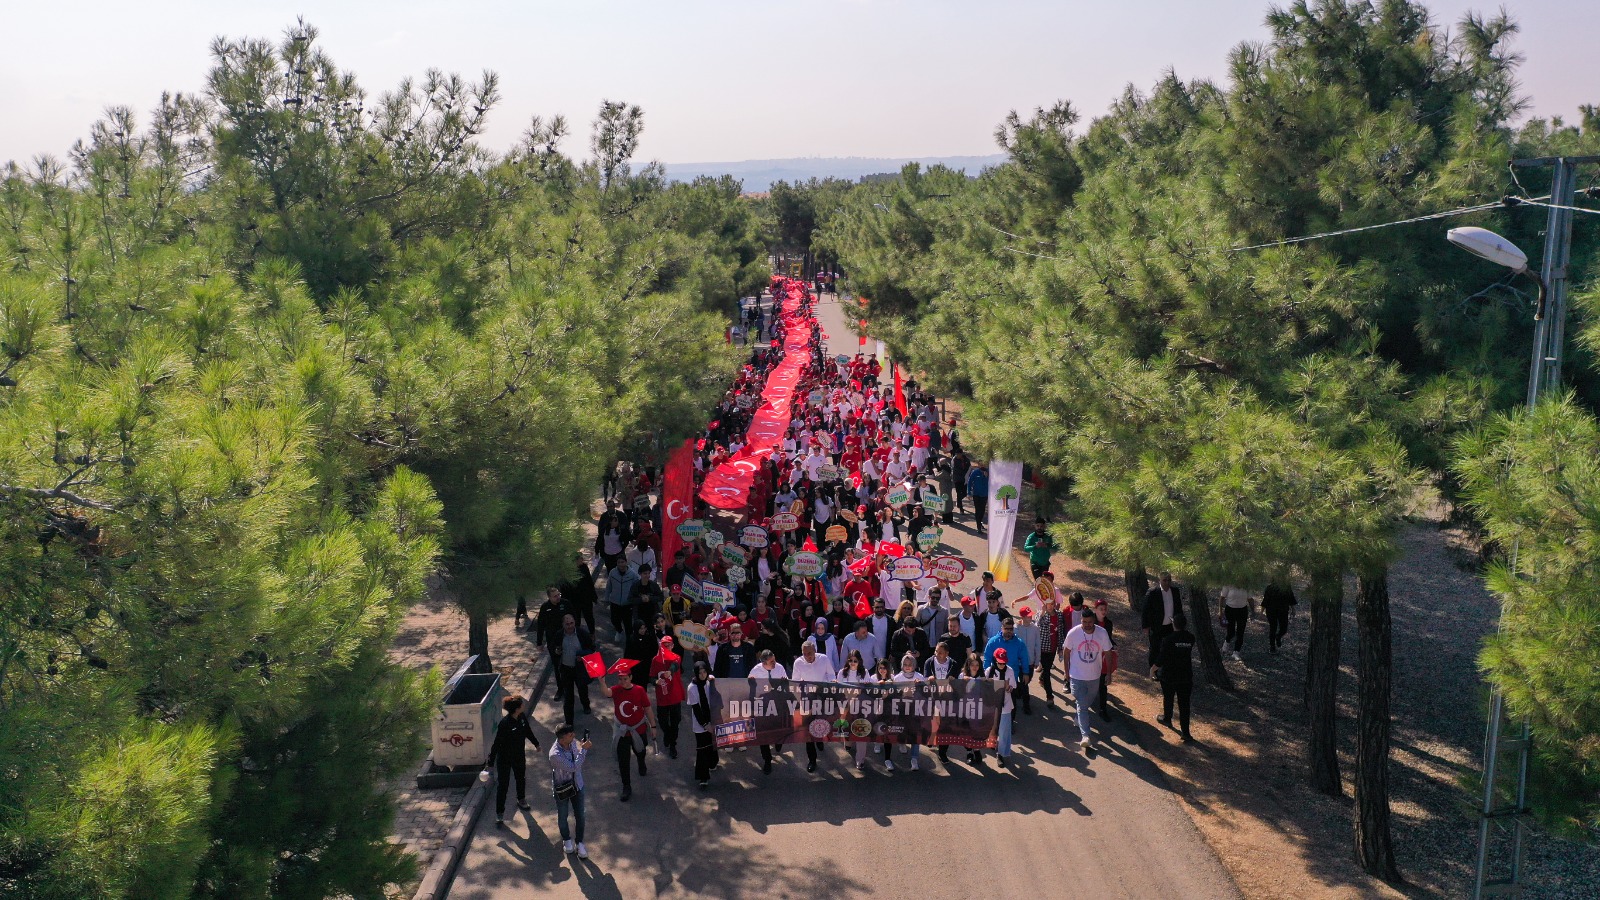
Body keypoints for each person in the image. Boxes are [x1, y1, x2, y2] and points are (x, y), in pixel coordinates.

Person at [599, 662, 657, 802]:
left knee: (641, 750)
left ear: (631, 678)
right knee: (623, 760)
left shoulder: (639, 690)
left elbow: (647, 708)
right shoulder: (617, 690)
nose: (623, 682)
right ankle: (626, 786)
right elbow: (606, 692)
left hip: (638, 729)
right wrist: (601, 681)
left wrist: (653, 726)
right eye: (620, 679)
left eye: (625, 678)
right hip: (622, 732)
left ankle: (641, 762)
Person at [485, 695, 541, 828]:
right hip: (505, 759)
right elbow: (497, 743)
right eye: (521, 704)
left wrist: (536, 744)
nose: (523, 705)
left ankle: (521, 799)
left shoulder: (521, 718)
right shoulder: (505, 724)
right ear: (516, 708)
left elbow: (528, 731)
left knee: (520, 778)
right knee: (503, 786)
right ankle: (500, 813)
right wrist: (491, 762)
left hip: (519, 756)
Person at [1064, 610, 1114, 752]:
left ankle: (1078, 718)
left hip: (1094, 676)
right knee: (1082, 705)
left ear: (1094, 621)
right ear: (1081, 620)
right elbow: (1066, 652)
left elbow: (1108, 653)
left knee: (1087, 702)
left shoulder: (1102, 633)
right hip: (1076, 675)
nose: (1087, 625)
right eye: (1084, 622)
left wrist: (1108, 674)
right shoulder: (1073, 633)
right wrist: (1067, 673)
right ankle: (1085, 736)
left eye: (1090, 622)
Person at [791, 639, 836, 772]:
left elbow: (831, 674)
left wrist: (828, 684)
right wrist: (801, 684)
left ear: (815, 651)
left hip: (821, 696)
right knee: (807, 730)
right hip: (807, 699)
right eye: (805, 654)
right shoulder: (798, 663)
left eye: (810, 653)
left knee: (820, 723)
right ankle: (812, 759)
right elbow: (794, 681)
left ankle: (820, 739)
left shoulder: (824, 659)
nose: (808, 656)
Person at [548, 724, 592, 858]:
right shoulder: (554, 755)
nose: (574, 736)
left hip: (577, 785)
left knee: (580, 815)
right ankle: (566, 839)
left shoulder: (571, 742)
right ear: (562, 739)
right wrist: (584, 751)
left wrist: (581, 748)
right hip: (563, 788)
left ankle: (579, 842)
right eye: (570, 735)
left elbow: (577, 758)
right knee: (563, 815)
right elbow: (574, 767)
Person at [1153, 613, 1196, 742]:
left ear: (1174, 624)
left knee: (1169, 697)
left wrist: (1153, 669)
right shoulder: (1190, 638)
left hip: (1169, 675)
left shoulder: (1168, 640)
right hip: (1185, 676)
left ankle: (1167, 718)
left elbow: (1162, 658)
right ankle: (1186, 732)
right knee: (1184, 704)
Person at [547, 614, 595, 725]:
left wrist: (583, 656)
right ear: (563, 624)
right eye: (567, 624)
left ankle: (586, 705)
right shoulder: (559, 635)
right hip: (565, 669)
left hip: (580, 669)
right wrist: (556, 651)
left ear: (575, 622)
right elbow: (553, 647)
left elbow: (591, 649)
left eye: (571, 623)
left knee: (582, 689)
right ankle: (569, 722)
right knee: (568, 697)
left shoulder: (582, 633)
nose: (569, 626)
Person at [748, 649, 789, 775]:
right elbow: (750, 686)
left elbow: (787, 684)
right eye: (771, 661)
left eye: (774, 659)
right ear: (764, 662)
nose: (774, 663)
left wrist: (785, 681)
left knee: (778, 729)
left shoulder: (780, 667)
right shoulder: (756, 670)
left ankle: (778, 741)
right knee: (764, 733)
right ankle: (767, 760)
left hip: (777, 703)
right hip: (763, 703)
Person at [983, 617, 1030, 719]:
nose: (1009, 631)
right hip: (995, 678)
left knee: (1011, 702)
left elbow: (1024, 659)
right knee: (994, 703)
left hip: (1011, 678)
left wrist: (1026, 673)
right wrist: (985, 675)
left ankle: (1010, 722)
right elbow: (987, 659)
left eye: (1011, 629)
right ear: (1001, 628)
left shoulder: (1019, 643)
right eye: (1006, 629)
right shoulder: (993, 642)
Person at [649, 636, 686, 759]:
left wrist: (670, 671)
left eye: (669, 645)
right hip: (662, 697)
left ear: (673, 646)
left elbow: (675, 666)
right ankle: (667, 735)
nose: (667, 647)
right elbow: (651, 677)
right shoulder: (655, 660)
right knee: (663, 721)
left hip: (674, 695)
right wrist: (656, 682)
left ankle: (673, 745)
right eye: (665, 645)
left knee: (676, 721)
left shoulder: (676, 657)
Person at [838, 650, 874, 770]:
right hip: (846, 707)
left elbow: (867, 689)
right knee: (846, 729)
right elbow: (839, 690)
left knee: (861, 732)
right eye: (850, 660)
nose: (853, 663)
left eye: (855, 661)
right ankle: (848, 743)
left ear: (859, 662)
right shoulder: (842, 673)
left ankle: (860, 760)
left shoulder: (865, 673)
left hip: (860, 708)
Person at [891, 653, 927, 771]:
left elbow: (925, 694)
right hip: (901, 710)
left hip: (915, 710)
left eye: (910, 664)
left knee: (915, 733)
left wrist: (919, 686)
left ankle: (914, 758)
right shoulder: (897, 678)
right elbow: (893, 695)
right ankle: (902, 742)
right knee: (902, 729)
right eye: (905, 664)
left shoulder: (920, 676)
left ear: (914, 665)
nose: (907, 666)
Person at [687, 662, 719, 788]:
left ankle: (713, 762)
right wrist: (706, 725)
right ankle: (703, 777)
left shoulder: (708, 682)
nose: (702, 675)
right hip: (701, 723)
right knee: (702, 750)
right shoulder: (692, 688)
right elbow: (696, 709)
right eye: (700, 673)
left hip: (712, 719)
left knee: (711, 744)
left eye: (704, 672)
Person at [1142, 572, 1182, 670]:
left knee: (1169, 648)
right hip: (1157, 626)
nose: (1167, 582)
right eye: (1165, 580)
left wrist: (1179, 624)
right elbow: (1145, 610)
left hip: (1171, 627)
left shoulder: (1175, 591)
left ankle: (1167, 668)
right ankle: (1153, 670)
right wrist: (1145, 626)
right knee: (1155, 648)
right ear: (1160, 580)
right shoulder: (1153, 592)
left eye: (1169, 580)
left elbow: (1179, 608)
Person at [985, 648, 1018, 768]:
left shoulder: (1010, 671)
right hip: (992, 705)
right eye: (999, 662)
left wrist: (1009, 688)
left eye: (1004, 662)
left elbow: (1013, 686)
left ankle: (1001, 754)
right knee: (992, 728)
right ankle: (992, 743)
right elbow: (984, 686)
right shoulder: (989, 671)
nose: (1002, 665)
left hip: (1005, 705)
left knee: (1004, 732)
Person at [1036, 596, 1067, 709]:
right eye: (1048, 604)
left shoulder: (1059, 615)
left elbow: (1060, 631)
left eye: (1053, 604)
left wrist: (1060, 647)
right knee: (1048, 670)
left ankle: (1041, 678)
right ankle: (1050, 696)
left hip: (1053, 648)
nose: (1051, 606)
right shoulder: (1041, 614)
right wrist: (1043, 612)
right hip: (1043, 647)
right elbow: (1036, 625)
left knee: (1047, 667)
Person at [605, 558, 640, 642]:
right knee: (614, 620)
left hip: (627, 604)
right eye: (619, 562)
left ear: (626, 562)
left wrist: (635, 600)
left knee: (628, 624)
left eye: (622, 562)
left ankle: (630, 642)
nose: (621, 564)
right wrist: (606, 598)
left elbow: (636, 588)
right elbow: (609, 586)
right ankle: (619, 631)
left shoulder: (632, 574)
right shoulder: (612, 572)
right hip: (614, 602)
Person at [1217, 585, 1254, 661]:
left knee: (1240, 632)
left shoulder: (1247, 585)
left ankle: (1236, 652)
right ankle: (1226, 642)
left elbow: (1250, 599)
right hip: (1230, 610)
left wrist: (1253, 611)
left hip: (1242, 610)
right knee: (1231, 631)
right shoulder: (1228, 584)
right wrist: (1220, 611)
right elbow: (1222, 597)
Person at [1262, 578, 1297, 653]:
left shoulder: (1287, 587)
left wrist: (1293, 609)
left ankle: (1278, 637)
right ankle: (1272, 647)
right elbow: (1265, 600)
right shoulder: (1270, 587)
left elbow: (1291, 598)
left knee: (1284, 629)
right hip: (1271, 611)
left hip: (1283, 611)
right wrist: (1261, 612)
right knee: (1273, 628)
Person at [965, 461, 989, 533]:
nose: (982, 465)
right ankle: (978, 527)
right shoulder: (975, 472)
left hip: (984, 494)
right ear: (978, 464)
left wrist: (986, 476)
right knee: (977, 510)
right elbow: (969, 482)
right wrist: (968, 493)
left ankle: (980, 522)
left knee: (982, 510)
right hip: (976, 494)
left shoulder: (989, 472)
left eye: (984, 464)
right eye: (981, 463)